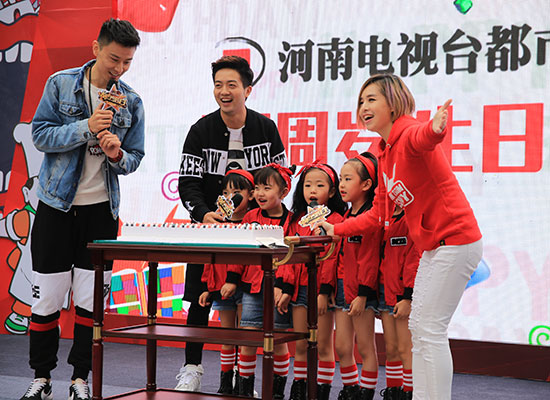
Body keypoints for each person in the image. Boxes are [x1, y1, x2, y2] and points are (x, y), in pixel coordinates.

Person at [321, 73, 483, 400]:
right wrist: (336, 229)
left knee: (429, 330)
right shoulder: (384, 152)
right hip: (434, 248)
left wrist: (435, 128)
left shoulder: (408, 131)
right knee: (420, 330)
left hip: (455, 240)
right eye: (361, 101)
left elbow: (423, 137)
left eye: (372, 99)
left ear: (394, 104)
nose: (364, 107)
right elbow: (377, 215)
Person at [21, 18, 144, 400]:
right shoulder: (60, 84)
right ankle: (41, 377)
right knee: (47, 299)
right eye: (114, 59)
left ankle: (80, 380)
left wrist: (117, 155)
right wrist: (86, 127)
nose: (119, 68)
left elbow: (135, 157)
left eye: (127, 62)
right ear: (96, 49)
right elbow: (40, 135)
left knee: (91, 304)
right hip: (56, 207)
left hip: (101, 212)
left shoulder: (131, 101)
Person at [177, 55, 287, 391]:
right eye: (218, 85)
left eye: (232, 85)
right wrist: (203, 213)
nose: (224, 91)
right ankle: (192, 369)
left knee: (249, 306)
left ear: (247, 90)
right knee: (200, 299)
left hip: (255, 234)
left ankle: (244, 377)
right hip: (210, 231)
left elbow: (281, 178)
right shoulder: (200, 131)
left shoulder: (266, 129)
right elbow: (187, 182)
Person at [275, 162, 347, 400]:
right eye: (307, 185)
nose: (312, 190)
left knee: (323, 345)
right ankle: (299, 389)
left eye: (319, 185)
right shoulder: (296, 220)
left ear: (332, 191)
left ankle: (321, 392)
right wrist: (285, 288)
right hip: (299, 290)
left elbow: (332, 259)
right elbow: (288, 257)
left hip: (321, 290)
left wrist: (324, 291)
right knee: (301, 344)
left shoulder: (337, 220)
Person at [237, 164, 295, 398]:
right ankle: (244, 391)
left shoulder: (292, 221)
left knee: (278, 340)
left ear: (283, 192)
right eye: (257, 188)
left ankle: (276, 393)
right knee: (248, 339)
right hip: (252, 288)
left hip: (278, 290)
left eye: (267, 188)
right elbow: (240, 252)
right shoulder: (250, 217)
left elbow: (293, 259)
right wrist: (232, 279)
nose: (260, 193)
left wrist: (285, 287)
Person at [197, 169, 255, 394]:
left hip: (245, 286)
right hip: (221, 287)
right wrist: (207, 287)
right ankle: (225, 383)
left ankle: (244, 382)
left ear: (250, 194)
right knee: (227, 336)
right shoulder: (217, 222)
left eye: (237, 191)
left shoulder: (253, 222)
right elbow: (210, 258)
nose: (231, 197)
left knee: (244, 337)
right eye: (225, 192)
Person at [333, 153, 382, 400]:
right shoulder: (346, 216)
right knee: (342, 346)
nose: (341, 184)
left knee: (364, 346)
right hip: (344, 287)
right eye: (341, 179)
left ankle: (366, 392)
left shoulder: (370, 218)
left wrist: (363, 295)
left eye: (348, 179)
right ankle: (350, 389)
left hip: (363, 290)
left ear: (366, 184)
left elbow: (370, 260)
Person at [377, 205, 420, 400]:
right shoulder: (381, 218)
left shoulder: (411, 219)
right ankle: (393, 392)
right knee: (391, 349)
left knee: (405, 349)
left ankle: (409, 393)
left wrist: (407, 297)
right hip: (384, 292)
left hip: (403, 295)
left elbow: (414, 260)